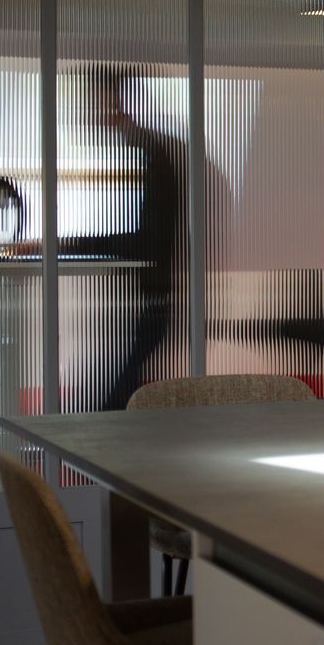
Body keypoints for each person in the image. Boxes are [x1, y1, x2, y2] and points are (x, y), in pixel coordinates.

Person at [64, 67, 183, 410]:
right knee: (111, 397)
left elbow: (145, 240)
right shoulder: (142, 152)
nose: (85, 113)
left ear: (115, 100)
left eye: (91, 100)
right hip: (139, 297)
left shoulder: (148, 155)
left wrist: (66, 245)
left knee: (113, 402)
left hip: (144, 299)